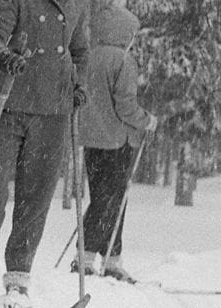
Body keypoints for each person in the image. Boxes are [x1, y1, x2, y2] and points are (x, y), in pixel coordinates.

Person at [0, 0, 89, 308]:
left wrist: (79, 84)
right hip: (8, 101)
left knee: (37, 195)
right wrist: (1, 56)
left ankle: (19, 276)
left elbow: (81, 52)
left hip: (53, 108)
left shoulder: (78, 3)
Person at [74, 0, 155, 283]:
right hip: (117, 142)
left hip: (92, 141)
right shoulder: (122, 60)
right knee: (114, 201)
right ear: (123, 33)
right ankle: (105, 258)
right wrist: (147, 120)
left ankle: (96, 256)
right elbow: (125, 107)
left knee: (100, 199)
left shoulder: (89, 56)